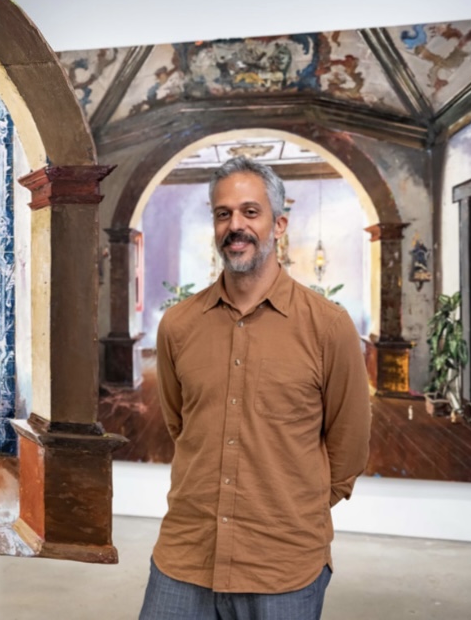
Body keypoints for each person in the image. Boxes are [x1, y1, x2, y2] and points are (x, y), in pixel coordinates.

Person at [139, 156, 371, 620]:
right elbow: (180, 424)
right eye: (223, 214)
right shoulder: (178, 326)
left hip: (283, 566)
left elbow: (348, 448)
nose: (235, 226)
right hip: (186, 554)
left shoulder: (328, 327)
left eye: (250, 212)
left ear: (279, 224)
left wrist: (289, 509)